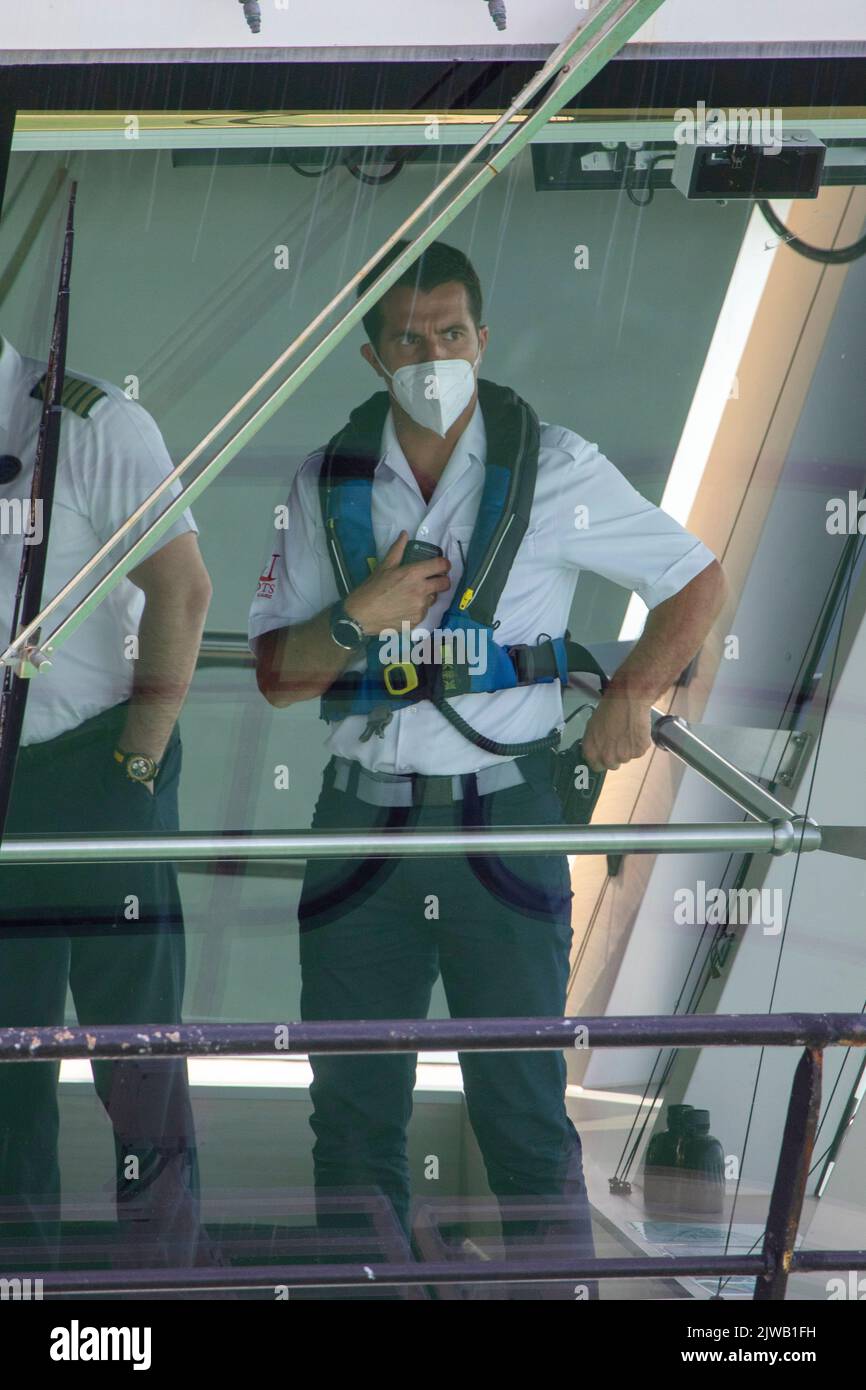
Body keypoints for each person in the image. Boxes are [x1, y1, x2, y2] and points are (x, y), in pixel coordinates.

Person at [249, 240, 728, 1297]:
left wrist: (628, 693)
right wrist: (356, 617)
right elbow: (279, 671)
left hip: (498, 821)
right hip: (357, 828)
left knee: (517, 1101)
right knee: (354, 1112)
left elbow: (694, 581)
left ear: (483, 339)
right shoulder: (324, 481)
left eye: (452, 334)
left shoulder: (553, 467)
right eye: (410, 339)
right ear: (373, 356)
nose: (434, 356)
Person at [0, 333, 213, 1271]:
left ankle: (162, 1285)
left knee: (138, 1061)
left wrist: (137, 766)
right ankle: (21, 1284)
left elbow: (183, 588)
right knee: (9, 1067)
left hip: (98, 767)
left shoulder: (89, 422)